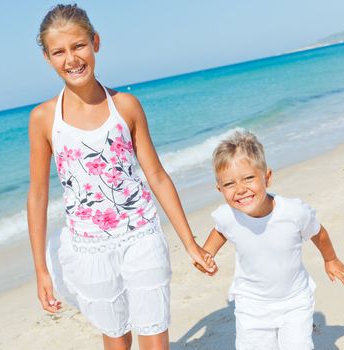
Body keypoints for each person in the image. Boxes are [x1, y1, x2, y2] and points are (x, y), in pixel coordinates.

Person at [26, 4, 214, 350]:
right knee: (116, 339)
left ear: (95, 42)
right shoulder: (43, 119)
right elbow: (37, 195)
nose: (72, 59)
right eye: (59, 52)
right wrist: (41, 269)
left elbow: (156, 175)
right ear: (48, 58)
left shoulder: (126, 106)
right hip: (90, 247)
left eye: (79, 45)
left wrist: (190, 242)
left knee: (154, 335)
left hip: (141, 233)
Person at [198, 129, 344, 350]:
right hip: (251, 306)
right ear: (219, 188)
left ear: (267, 177)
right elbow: (220, 230)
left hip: (295, 302)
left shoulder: (293, 212)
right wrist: (207, 253)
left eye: (249, 178)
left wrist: (331, 259)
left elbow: (319, 232)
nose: (240, 189)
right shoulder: (227, 215)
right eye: (229, 184)